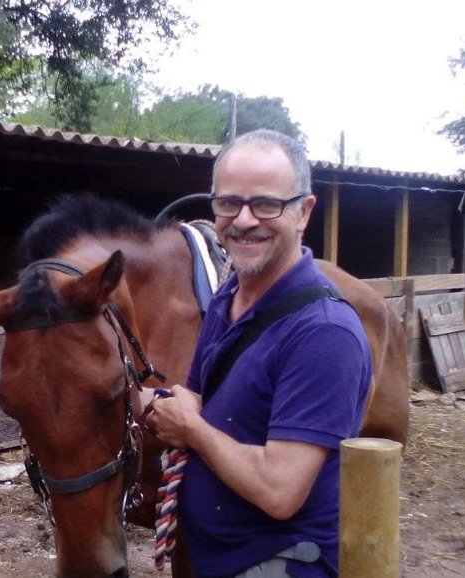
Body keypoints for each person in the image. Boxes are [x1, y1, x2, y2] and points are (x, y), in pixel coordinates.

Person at [149, 129, 372, 578]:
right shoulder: (228, 296)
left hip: (278, 563)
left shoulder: (324, 334)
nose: (244, 220)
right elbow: (197, 399)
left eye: (267, 204)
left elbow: (279, 490)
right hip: (215, 557)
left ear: (303, 212)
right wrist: (148, 400)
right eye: (229, 203)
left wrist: (190, 429)